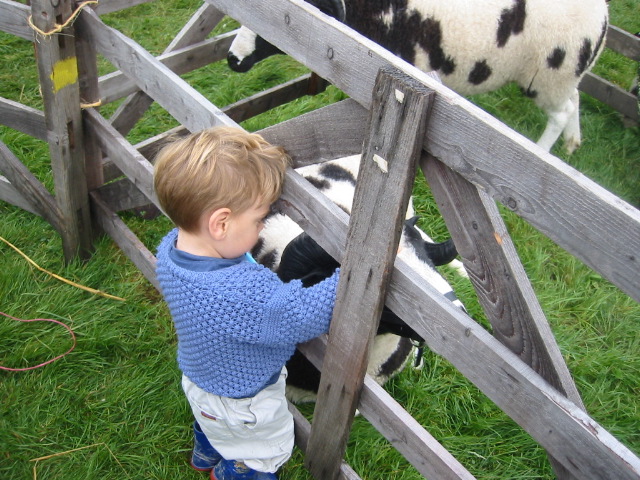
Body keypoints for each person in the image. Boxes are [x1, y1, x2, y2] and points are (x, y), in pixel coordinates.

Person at [153, 126, 339, 480]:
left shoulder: (172, 249)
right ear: (220, 224)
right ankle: (236, 471)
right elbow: (301, 314)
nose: (262, 227)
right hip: (245, 401)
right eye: (258, 220)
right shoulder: (239, 292)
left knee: (210, 421)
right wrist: (351, 277)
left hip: (198, 379)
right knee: (267, 451)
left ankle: (206, 452)